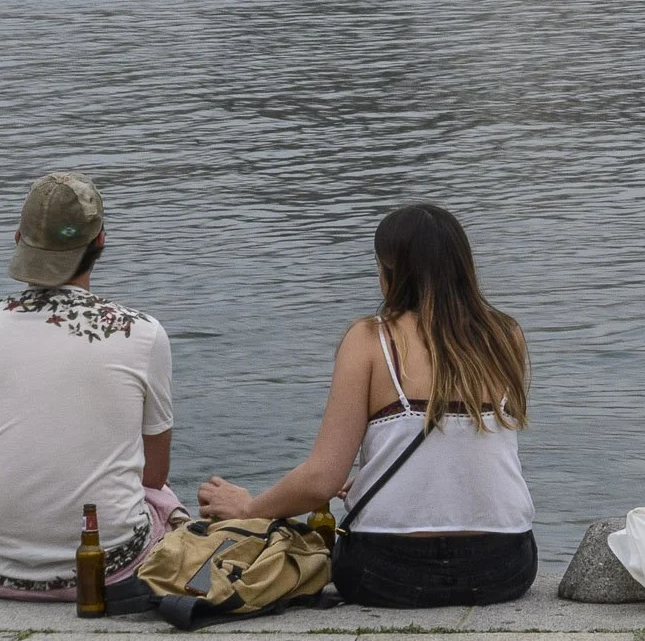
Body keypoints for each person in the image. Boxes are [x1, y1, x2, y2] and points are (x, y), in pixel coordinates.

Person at [196, 204, 536, 608]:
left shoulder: (370, 339)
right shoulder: (506, 337)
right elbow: (469, 450)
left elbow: (321, 480)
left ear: (391, 272)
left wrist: (250, 507)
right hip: (503, 569)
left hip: (389, 572)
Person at [0, 173, 182, 601]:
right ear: (101, 243)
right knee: (164, 498)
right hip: (110, 567)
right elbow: (154, 474)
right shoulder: (143, 334)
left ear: (19, 238)